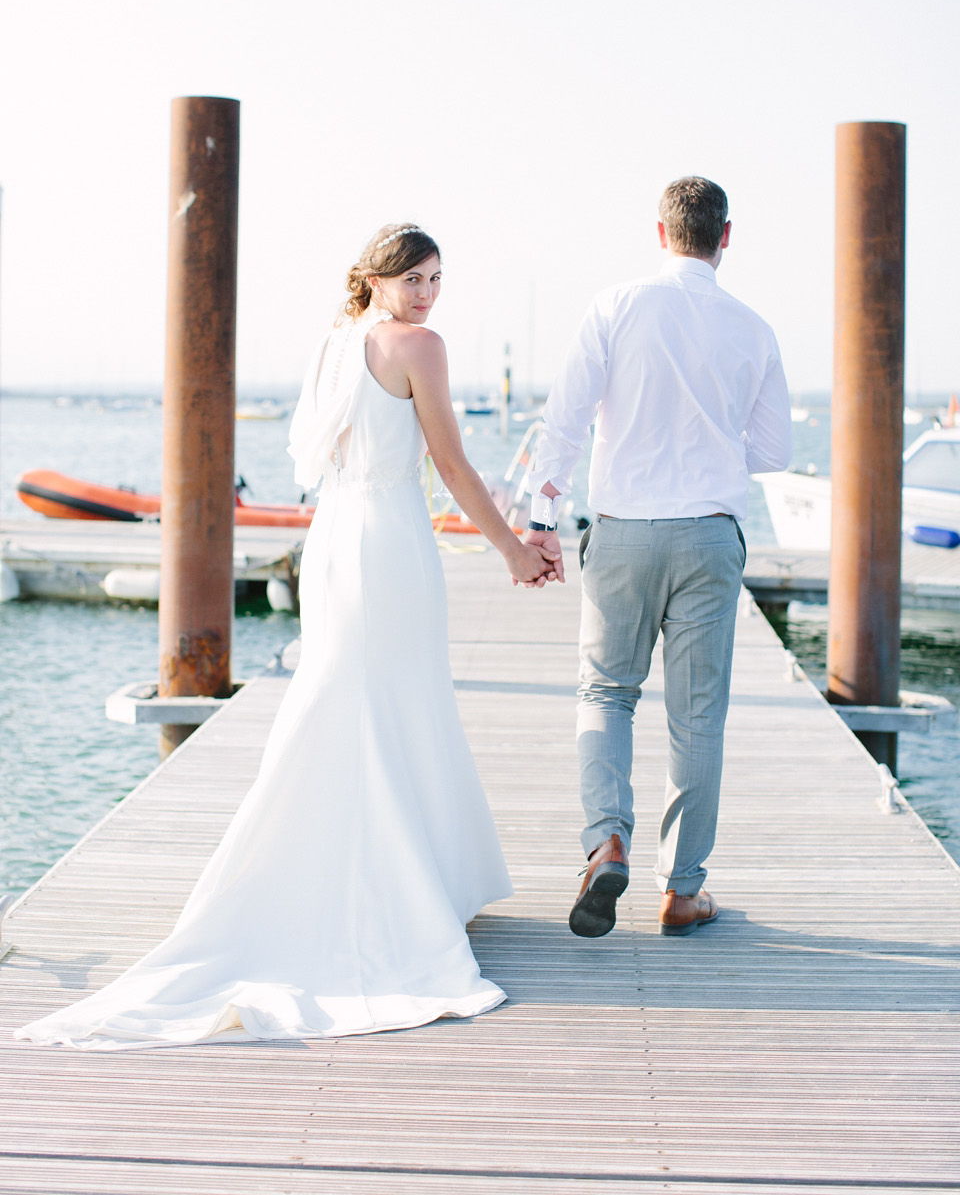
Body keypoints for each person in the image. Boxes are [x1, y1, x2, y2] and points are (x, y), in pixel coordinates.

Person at [15, 224, 554, 1049]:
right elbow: (450, 465)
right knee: (387, 698)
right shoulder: (421, 347)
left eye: (437, 280)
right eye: (414, 277)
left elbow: (320, 455)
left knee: (355, 697)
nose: (427, 294)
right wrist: (514, 550)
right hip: (386, 539)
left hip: (336, 539)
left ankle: (386, 879)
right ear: (375, 277)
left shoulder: (334, 344)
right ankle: (398, 893)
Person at [524, 178, 792, 939]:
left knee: (607, 693)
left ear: (661, 232)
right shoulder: (754, 328)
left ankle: (607, 839)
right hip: (710, 535)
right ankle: (682, 892)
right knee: (697, 718)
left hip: (624, 531)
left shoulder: (614, 305)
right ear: (726, 237)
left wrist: (542, 521)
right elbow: (773, 452)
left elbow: (566, 421)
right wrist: (706, 433)